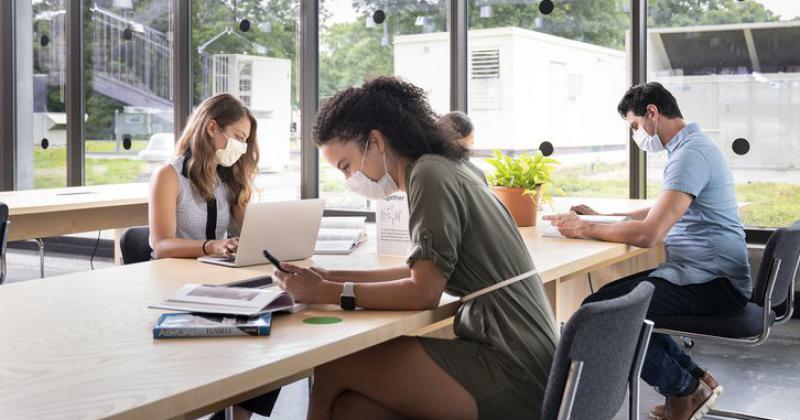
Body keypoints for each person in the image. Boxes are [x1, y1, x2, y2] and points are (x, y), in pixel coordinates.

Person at [272, 77, 558, 420]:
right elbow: (425, 271)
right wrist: (329, 276)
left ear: (375, 141)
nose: (348, 179)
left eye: (346, 166)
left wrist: (330, 291)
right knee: (352, 410)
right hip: (530, 354)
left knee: (335, 363)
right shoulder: (453, 166)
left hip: (512, 365)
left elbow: (423, 292)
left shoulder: (428, 175)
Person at [545, 82, 752, 420]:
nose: (636, 135)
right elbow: (658, 211)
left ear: (652, 113)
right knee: (611, 300)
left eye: (635, 126)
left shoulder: (690, 155)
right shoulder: (691, 148)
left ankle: (682, 390)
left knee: (602, 312)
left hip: (715, 284)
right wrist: (602, 217)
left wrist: (583, 228)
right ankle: (695, 382)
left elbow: (650, 233)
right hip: (707, 274)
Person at [148, 93, 279, 420]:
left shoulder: (227, 177)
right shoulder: (168, 175)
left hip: (216, 281)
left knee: (272, 326)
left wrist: (242, 203)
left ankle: (238, 417)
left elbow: (249, 236)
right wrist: (210, 246)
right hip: (176, 286)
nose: (242, 147)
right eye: (237, 137)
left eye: (246, 141)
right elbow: (160, 244)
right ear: (211, 128)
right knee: (252, 328)